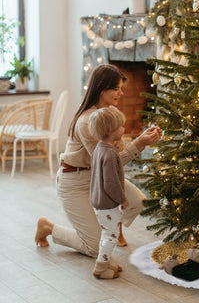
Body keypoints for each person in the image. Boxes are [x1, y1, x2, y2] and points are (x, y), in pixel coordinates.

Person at [35, 63, 161, 258]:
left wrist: (140, 141)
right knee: (95, 248)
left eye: (121, 88)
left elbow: (113, 160)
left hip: (97, 177)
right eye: (116, 89)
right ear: (102, 89)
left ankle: (113, 223)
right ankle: (49, 228)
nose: (121, 93)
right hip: (75, 182)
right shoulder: (88, 121)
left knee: (138, 202)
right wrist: (139, 143)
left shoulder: (109, 115)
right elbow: (107, 163)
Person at [88, 106, 127, 279]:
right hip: (108, 202)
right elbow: (111, 183)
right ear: (112, 131)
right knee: (111, 235)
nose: (124, 129)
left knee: (106, 233)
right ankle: (100, 268)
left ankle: (106, 260)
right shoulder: (110, 154)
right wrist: (122, 199)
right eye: (121, 126)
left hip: (97, 200)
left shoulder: (99, 148)